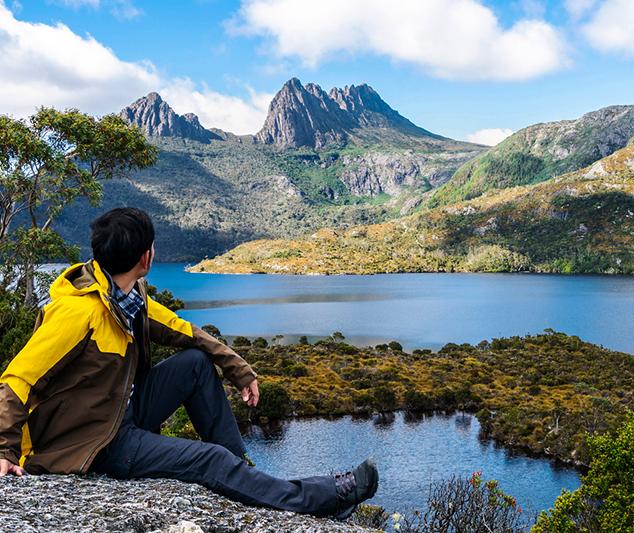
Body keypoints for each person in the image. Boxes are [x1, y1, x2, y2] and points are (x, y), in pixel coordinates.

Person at [0, 207, 378, 519]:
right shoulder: (76, 313)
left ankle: (243, 476)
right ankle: (319, 499)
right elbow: (17, 380)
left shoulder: (125, 296)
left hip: (118, 411)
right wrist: (4, 451)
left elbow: (183, 331)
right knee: (208, 460)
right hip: (96, 442)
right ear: (146, 256)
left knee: (196, 363)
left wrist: (238, 368)